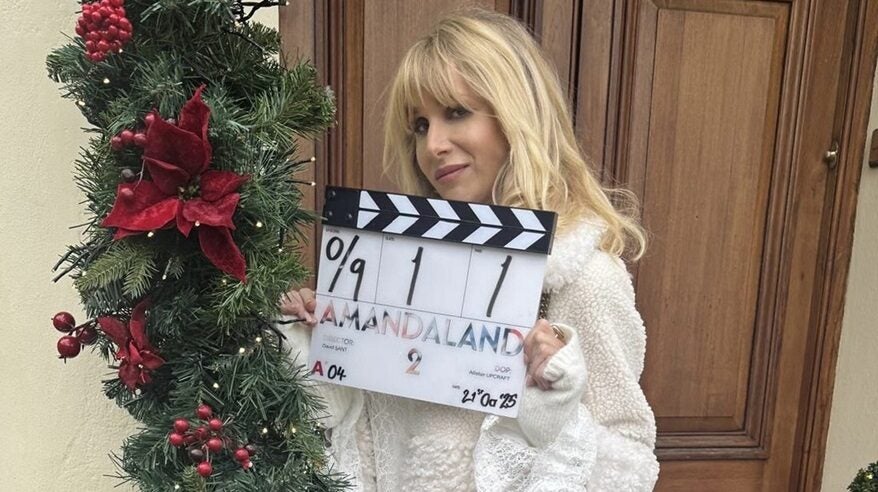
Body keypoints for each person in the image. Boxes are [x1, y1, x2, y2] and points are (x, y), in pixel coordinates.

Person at [281, 8, 658, 491]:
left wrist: (556, 407)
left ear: (518, 115)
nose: (433, 144)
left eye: (455, 112)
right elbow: (369, 440)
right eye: (419, 125)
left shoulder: (585, 278)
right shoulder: (394, 268)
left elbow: (630, 469)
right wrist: (326, 344)